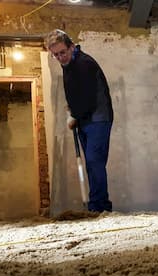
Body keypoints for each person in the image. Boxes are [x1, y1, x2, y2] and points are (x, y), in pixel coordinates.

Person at [46, 29, 113, 212]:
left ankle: (100, 206)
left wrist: (74, 115)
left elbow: (88, 98)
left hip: (98, 118)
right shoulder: (68, 66)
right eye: (56, 55)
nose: (60, 57)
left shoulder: (84, 64)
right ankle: (96, 205)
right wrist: (71, 110)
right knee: (92, 163)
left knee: (94, 160)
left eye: (62, 52)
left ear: (72, 47)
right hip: (85, 119)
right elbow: (74, 94)